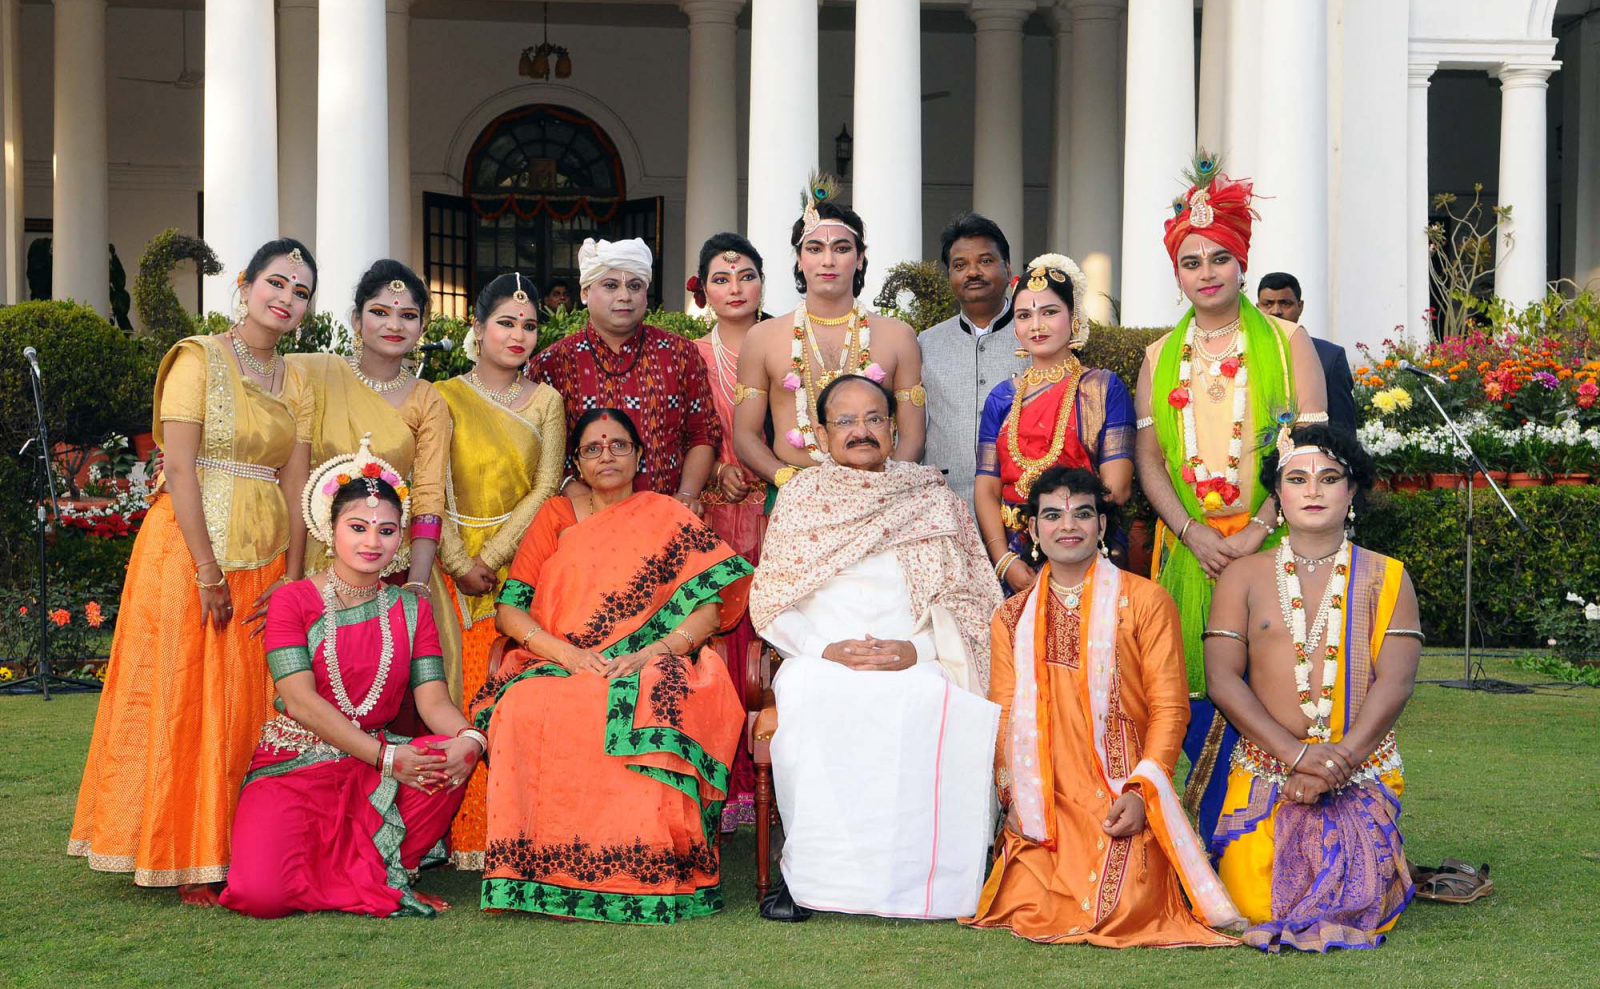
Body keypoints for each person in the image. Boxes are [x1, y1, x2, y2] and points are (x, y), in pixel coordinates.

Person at [69, 239, 318, 904]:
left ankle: (237, 847)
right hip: (187, 550)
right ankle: (183, 852)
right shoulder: (198, 357)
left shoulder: (296, 379)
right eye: (275, 283)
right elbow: (178, 465)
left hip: (265, 557)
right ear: (244, 284)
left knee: (246, 703)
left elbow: (296, 480)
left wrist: (293, 578)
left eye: (299, 291)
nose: (286, 299)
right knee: (185, 695)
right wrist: (206, 570)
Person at [473, 408, 753, 924]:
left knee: (657, 694)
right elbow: (511, 610)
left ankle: (649, 866)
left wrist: (655, 651)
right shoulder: (555, 515)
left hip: (652, 658)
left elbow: (709, 611)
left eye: (619, 445)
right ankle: (537, 870)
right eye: (593, 448)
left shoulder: (667, 514)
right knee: (527, 704)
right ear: (577, 463)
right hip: (560, 659)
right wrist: (569, 655)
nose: (607, 456)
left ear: (639, 455)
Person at [750, 374, 1002, 922]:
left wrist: (919, 650)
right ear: (821, 434)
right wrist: (824, 649)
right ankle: (810, 878)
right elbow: (770, 600)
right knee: (811, 699)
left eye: (873, 419)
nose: (860, 431)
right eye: (844, 421)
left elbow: (972, 601)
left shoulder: (932, 498)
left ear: (892, 428)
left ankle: (933, 881)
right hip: (820, 657)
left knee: (932, 698)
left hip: (919, 654)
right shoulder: (801, 498)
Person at [1132, 153, 1327, 843]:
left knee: (1283, 687)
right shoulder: (1158, 356)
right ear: (1177, 273)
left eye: (1219, 258)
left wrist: (1257, 529)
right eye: (1191, 262)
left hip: (1276, 545)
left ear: (1242, 263)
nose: (1206, 272)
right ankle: (1220, 834)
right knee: (1189, 691)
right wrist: (1193, 532)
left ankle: (1284, 836)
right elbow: (1151, 462)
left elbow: (1311, 452)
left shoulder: (1287, 340)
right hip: (1192, 552)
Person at [964, 467, 1242, 947]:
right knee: (1025, 903)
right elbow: (1004, 714)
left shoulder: (1146, 601)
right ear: (1033, 531)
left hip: (1121, 793)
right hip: (1045, 798)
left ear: (1101, 525)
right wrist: (1015, 798)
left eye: (1082, 513)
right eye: (1052, 515)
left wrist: (1141, 793)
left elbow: (1170, 709)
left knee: (1124, 906)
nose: (1068, 525)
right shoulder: (1010, 617)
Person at [221, 439, 479, 918]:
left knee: (446, 757)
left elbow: (433, 703)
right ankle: (367, 877)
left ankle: (376, 871)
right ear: (330, 529)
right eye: (358, 527)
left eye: (386, 530)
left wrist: (470, 738)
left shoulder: (411, 608)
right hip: (297, 762)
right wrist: (386, 757)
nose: (372, 542)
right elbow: (300, 701)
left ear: (399, 539)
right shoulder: (293, 600)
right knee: (261, 895)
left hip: (375, 769)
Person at [1205, 423, 1421, 952]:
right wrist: (1297, 755)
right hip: (1267, 770)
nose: (1313, 490)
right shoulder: (1243, 576)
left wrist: (1336, 764)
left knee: (1357, 901)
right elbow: (1222, 680)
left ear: (1351, 491)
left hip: (1359, 769)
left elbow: (1395, 684)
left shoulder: (1389, 576)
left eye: (1329, 478)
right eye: (1297, 479)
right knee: (1254, 906)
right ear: (1278, 496)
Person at [435, 272, 566, 870]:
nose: (518, 335)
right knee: (453, 687)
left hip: (525, 564)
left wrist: (491, 558)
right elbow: (427, 484)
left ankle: (512, 833)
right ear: (478, 327)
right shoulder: (441, 396)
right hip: (447, 562)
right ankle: (456, 836)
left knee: (512, 693)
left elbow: (546, 486)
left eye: (529, 325)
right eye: (506, 323)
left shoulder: (546, 401)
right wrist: (459, 560)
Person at [285, 260, 461, 703]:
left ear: (422, 326)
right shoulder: (315, 374)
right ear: (355, 319)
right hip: (316, 557)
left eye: (408, 315)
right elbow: (259, 408)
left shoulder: (428, 400)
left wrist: (416, 586)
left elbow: (428, 496)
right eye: (380, 312)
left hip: (392, 561)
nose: (394, 325)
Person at [732, 175, 925, 501]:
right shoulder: (762, 338)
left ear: (860, 258)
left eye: (841, 248)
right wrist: (790, 482)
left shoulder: (898, 336)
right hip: (794, 495)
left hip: (883, 497)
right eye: (815, 248)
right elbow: (745, 436)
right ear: (799, 259)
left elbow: (913, 437)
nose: (828, 260)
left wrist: (881, 489)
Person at [976, 254, 1136, 593]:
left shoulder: (1102, 389)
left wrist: (1060, 532)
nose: (1036, 325)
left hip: (1084, 548)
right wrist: (1004, 561)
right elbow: (987, 489)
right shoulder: (1001, 398)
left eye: (1049, 312)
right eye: (1024, 315)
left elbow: (1117, 488)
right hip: (1015, 556)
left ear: (1073, 317)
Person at [529, 237, 720, 510]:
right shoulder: (552, 364)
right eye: (610, 285)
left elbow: (703, 432)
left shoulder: (680, 353)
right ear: (585, 292)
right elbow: (538, 452)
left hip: (667, 515)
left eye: (634, 286)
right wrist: (586, 504)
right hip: (582, 521)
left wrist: (687, 494)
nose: (624, 296)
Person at [687, 232, 770, 831]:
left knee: (773, 638)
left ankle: (775, 776)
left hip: (780, 513)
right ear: (703, 292)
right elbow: (681, 433)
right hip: (713, 516)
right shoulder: (690, 355)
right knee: (716, 638)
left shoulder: (789, 345)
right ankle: (724, 781)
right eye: (721, 278)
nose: (735, 288)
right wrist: (716, 471)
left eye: (746, 276)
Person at [919, 212, 1025, 509]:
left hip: (1019, 500)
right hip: (944, 502)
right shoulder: (926, 343)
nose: (973, 272)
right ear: (949, 276)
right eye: (960, 265)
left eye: (985, 261)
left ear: (1007, 267)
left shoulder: (1034, 337)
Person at [1256, 272, 1359, 433]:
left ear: (1300, 306)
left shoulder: (1329, 357)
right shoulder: (1242, 350)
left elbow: (1343, 430)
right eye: (1267, 304)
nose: (1276, 311)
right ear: (1257, 308)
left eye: (1285, 303)